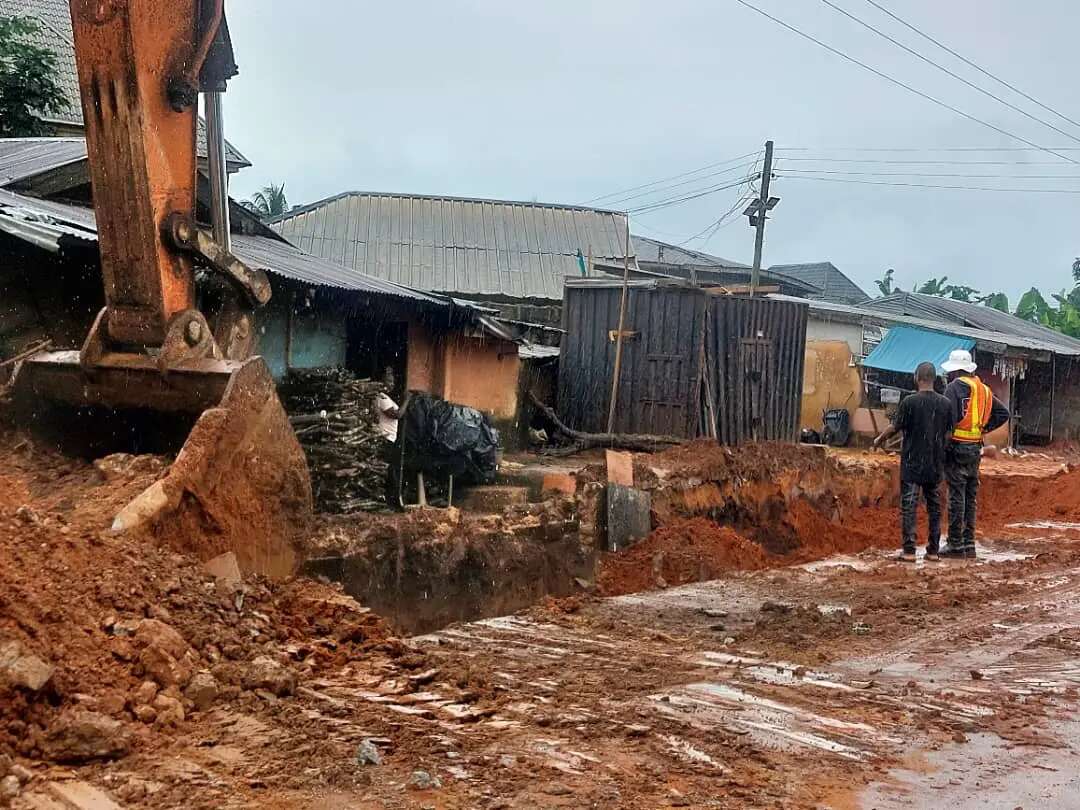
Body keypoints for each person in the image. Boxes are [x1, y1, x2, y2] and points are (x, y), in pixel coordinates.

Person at [873, 361, 955, 562]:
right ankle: (933, 551)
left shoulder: (909, 402)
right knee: (934, 507)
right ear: (935, 379)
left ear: (917, 377)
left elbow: (895, 426)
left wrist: (878, 439)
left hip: (912, 462)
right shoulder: (945, 404)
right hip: (935, 464)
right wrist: (939, 450)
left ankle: (909, 551)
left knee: (909, 505)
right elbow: (950, 434)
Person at [939, 349, 1010, 559]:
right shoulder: (985, 390)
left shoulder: (954, 388)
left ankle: (954, 544)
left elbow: (946, 422)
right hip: (975, 449)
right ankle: (968, 544)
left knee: (956, 496)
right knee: (970, 497)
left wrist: (941, 448)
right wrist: (981, 429)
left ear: (956, 370)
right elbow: (1003, 414)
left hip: (957, 448)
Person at [375, 369, 403, 507]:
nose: (391, 384)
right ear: (382, 382)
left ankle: (389, 501)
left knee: (390, 470)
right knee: (389, 471)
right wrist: (408, 400)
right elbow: (396, 415)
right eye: (388, 381)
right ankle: (389, 502)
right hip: (385, 439)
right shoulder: (381, 398)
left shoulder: (387, 397)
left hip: (390, 439)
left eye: (393, 381)